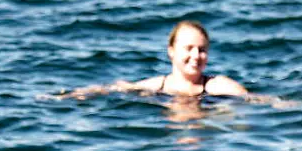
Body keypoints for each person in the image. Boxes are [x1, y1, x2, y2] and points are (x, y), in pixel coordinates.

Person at [64, 21, 248, 99]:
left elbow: (257, 102)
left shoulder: (219, 87)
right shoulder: (156, 87)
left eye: (201, 50)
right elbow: (115, 88)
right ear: (171, 51)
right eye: (188, 48)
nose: (195, 56)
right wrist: (72, 95)